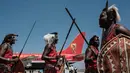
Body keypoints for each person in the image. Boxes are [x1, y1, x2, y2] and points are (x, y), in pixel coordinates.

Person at [97, 2, 130, 73]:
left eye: (102, 16)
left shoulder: (118, 28)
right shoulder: (104, 34)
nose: (99, 19)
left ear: (111, 17)